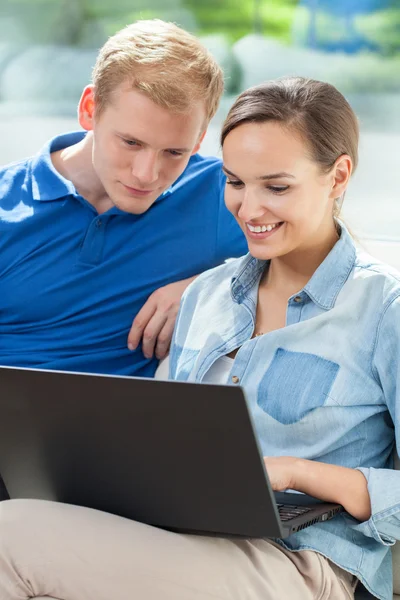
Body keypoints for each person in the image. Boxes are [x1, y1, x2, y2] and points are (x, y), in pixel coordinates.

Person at [0, 76, 399, 600]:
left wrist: (296, 473)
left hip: (299, 563)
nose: (249, 210)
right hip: (180, 541)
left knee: (11, 533)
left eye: (276, 187)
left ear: (338, 175)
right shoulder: (207, 296)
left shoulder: (382, 308)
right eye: (235, 182)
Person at [0, 19, 246, 378]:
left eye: (174, 152)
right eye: (131, 143)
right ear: (89, 110)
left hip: (131, 426)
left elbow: (323, 252)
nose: (147, 174)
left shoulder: (217, 192)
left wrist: (213, 289)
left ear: (197, 140)